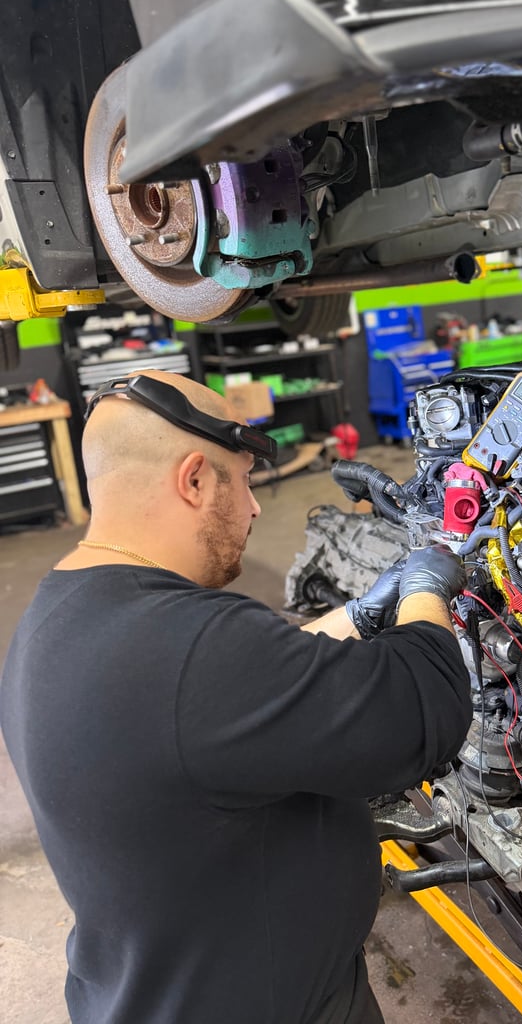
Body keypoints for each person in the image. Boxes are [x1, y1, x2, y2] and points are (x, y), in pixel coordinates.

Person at [0, 370, 471, 1024]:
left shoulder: (60, 614)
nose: (254, 508)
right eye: (244, 479)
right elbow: (428, 707)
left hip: (145, 992)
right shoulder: (193, 651)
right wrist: (427, 586)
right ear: (193, 479)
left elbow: (254, 690)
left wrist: (360, 614)